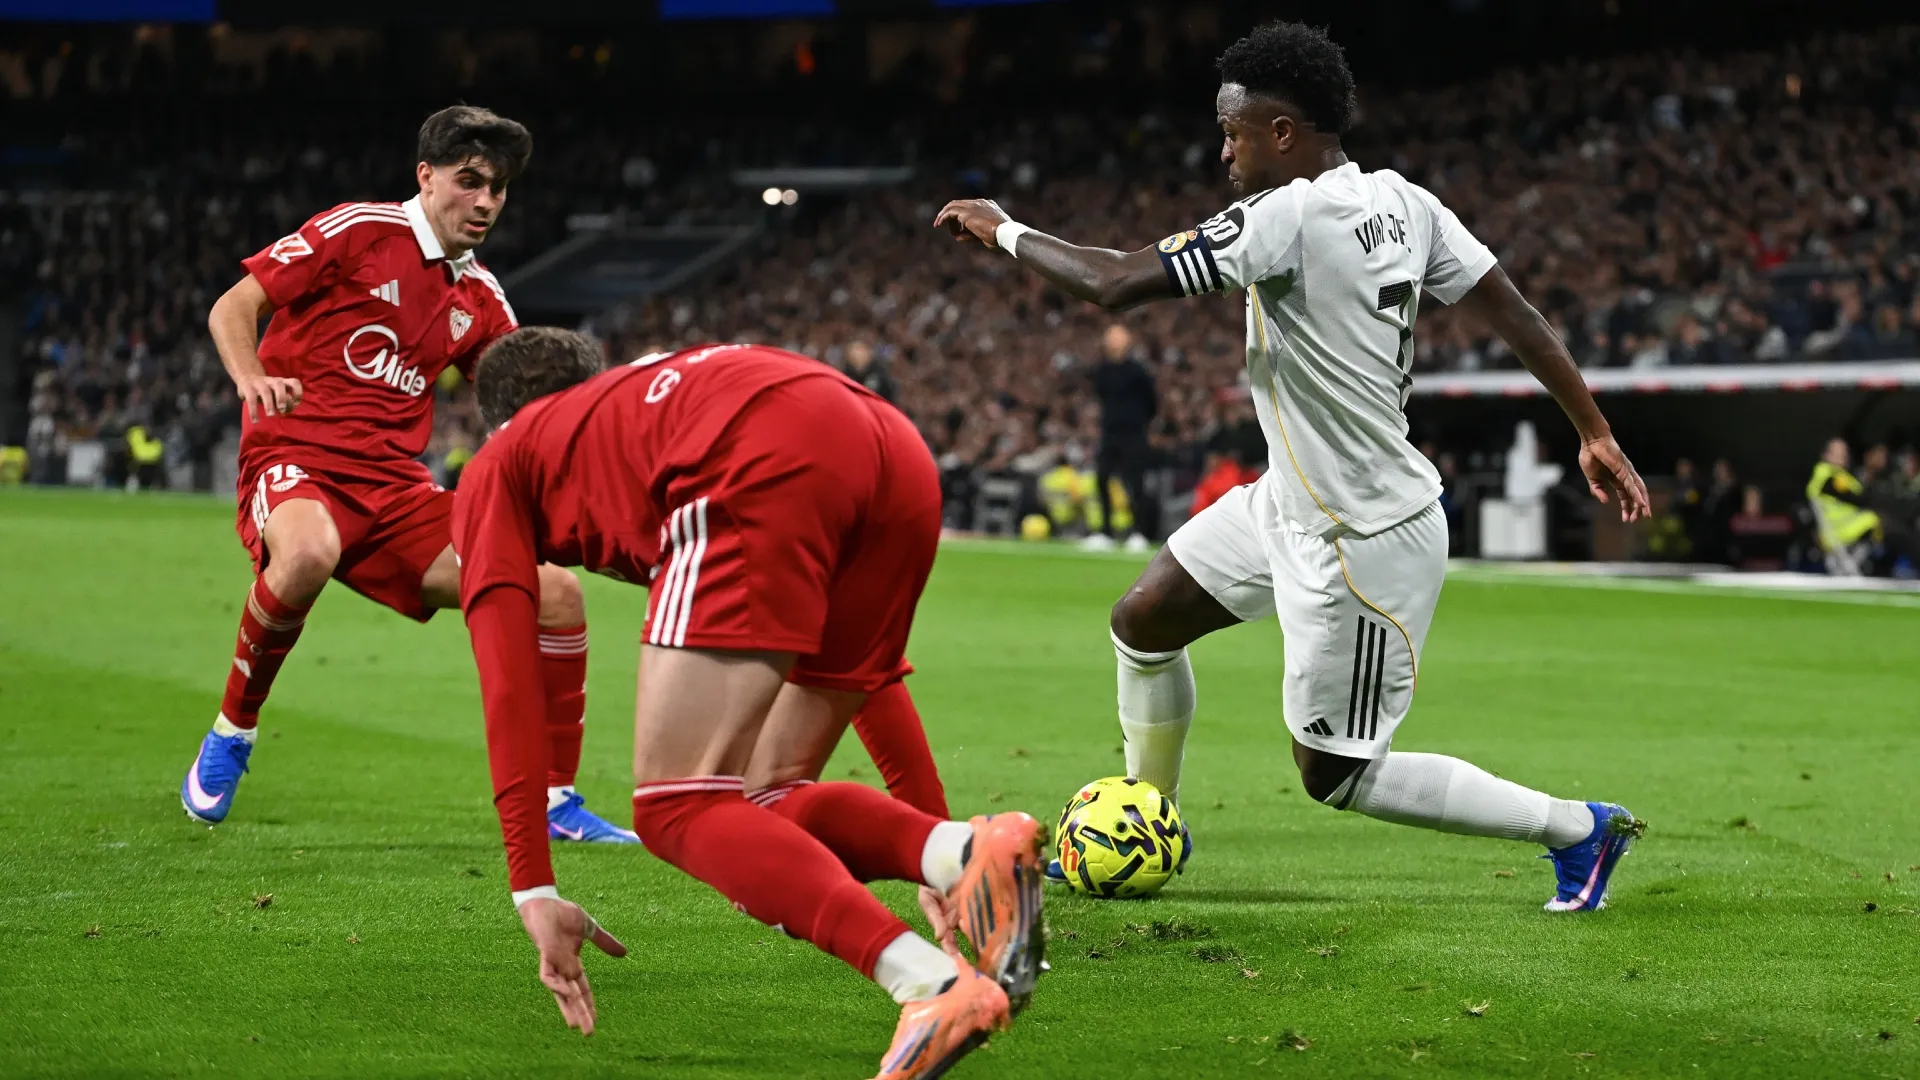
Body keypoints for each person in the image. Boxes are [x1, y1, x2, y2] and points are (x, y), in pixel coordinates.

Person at [935, 20, 1652, 913]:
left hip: (1362, 535)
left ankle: (1578, 829)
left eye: (1233, 132)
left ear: (1282, 131)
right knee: (1144, 623)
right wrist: (1592, 429)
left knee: (1338, 774)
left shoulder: (1287, 216)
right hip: (1291, 499)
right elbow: (1514, 312)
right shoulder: (1407, 202)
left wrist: (1005, 230)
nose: (1223, 150)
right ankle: (1145, 823)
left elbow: (1115, 282)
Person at [453, 330, 1046, 1077]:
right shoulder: (639, 417)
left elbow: (511, 678)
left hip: (751, 459)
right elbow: (864, 676)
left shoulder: (504, 461)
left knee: (676, 805)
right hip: (891, 447)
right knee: (765, 799)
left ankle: (927, 984)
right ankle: (964, 850)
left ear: (501, 421)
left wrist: (533, 888)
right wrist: (938, 856)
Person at [178, 107, 634, 844]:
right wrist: (251, 376)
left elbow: (520, 412)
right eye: (469, 181)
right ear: (426, 176)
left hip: (395, 493)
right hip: (295, 457)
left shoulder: (480, 297)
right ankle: (233, 731)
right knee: (308, 552)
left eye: (499, 188)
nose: (485, 201)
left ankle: (556, 802)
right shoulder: (359, 230)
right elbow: (234, 306)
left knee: (556, 592)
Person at [1086, 323, 1157, 551]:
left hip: (1133, 434)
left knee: (1135, 483)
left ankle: (1138, 533)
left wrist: (1139, 423)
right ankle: (1105, 531)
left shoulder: (1137, 371)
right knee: (1102, 479)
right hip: (1110, 434)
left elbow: (1151, 402)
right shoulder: (1102, 371)